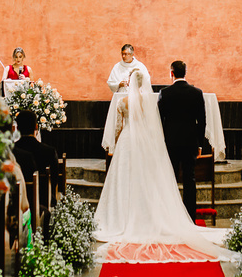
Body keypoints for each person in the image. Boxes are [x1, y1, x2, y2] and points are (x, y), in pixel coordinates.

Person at [93, 68, 229, 263]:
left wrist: (115, 144)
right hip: (153, 143)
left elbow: (119, 127)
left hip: (127, 142)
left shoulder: (123, 102)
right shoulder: (150, 101)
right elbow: (156, 125)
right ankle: (165, 214)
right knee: (165, 179)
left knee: (124, 179)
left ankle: (121, 216)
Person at [157, 60, 206, 222]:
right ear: (185, 72)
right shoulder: (196, 93)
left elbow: (160, 119)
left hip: (170, 142)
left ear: (172, 73)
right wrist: (200, 143)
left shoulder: (165, 93)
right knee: (189, 178)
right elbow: (202, 121)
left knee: (170, 177)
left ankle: (169, 215)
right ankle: (190, 216)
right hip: (190, 141)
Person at [13, 111, 58, 205]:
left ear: (17, 128)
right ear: (36, 127)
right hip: (42, 199)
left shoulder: (12, 151)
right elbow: (55, 179)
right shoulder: (49, 151)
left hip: (16, 201)